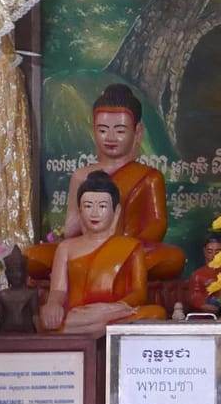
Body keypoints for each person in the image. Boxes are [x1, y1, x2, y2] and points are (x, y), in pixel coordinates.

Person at [27, 84, 185, 281]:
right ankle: (101, 267)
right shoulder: (81, 176)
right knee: (32, 257)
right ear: (93, 130)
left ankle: (103, 267)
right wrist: (88, 228)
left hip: (129, 250)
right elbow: (70, 230)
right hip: (86, 247)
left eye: (120, 130)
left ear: (137, 132)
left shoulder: (149, 177)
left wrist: (124, 248)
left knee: (173, 258)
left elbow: (157, 225)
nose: (110, 138)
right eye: (102, 130)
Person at [40, 171, 166, 334]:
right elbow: (59, 290)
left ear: (116, 211)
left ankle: (93, 328)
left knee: (156, 314)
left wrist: (113, 308)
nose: (94, 213)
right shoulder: (66, 247)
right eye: (88, 206)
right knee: (46, 318)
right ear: (79, 210)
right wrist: (53, 304)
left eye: (102, 206)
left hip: (112, 313)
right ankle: (104, 329)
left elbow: (139, 293)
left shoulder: (131, 246)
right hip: (79, 314)